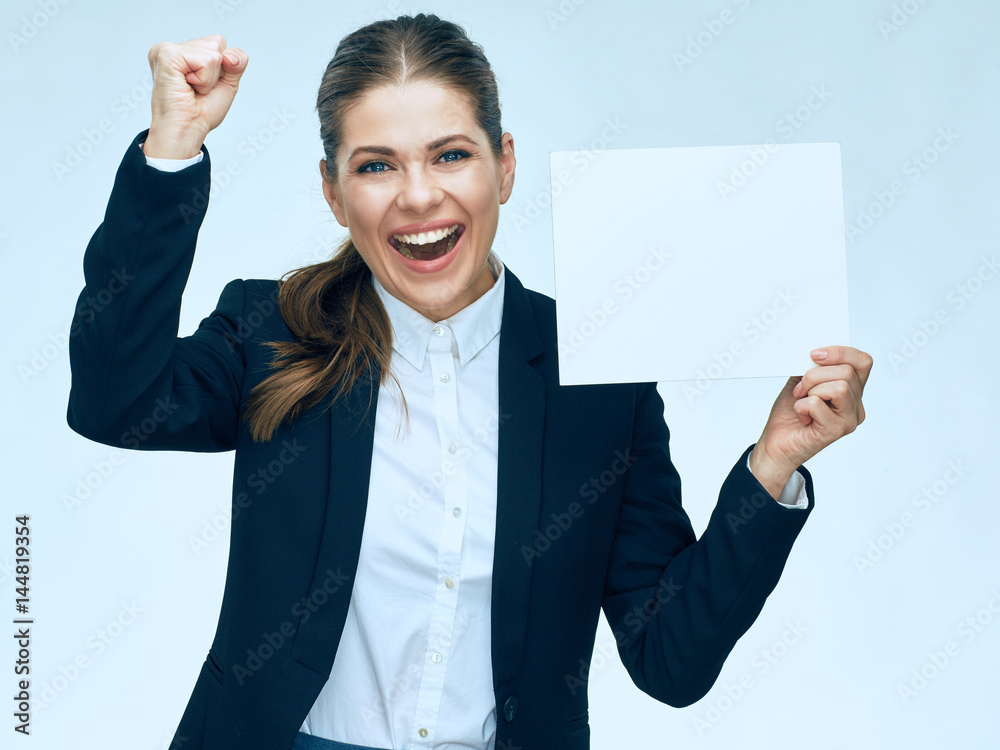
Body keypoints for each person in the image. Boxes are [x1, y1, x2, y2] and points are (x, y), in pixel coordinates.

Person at [66, 13, 872, 750]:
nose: (420, 196)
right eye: (376, 165)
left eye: (451, 154)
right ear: (333, 193)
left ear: (505, 165)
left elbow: (670, 659)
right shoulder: (269, 330)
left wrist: (772, 467)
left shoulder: (597, 376)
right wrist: (171, 150)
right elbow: (116, 401)